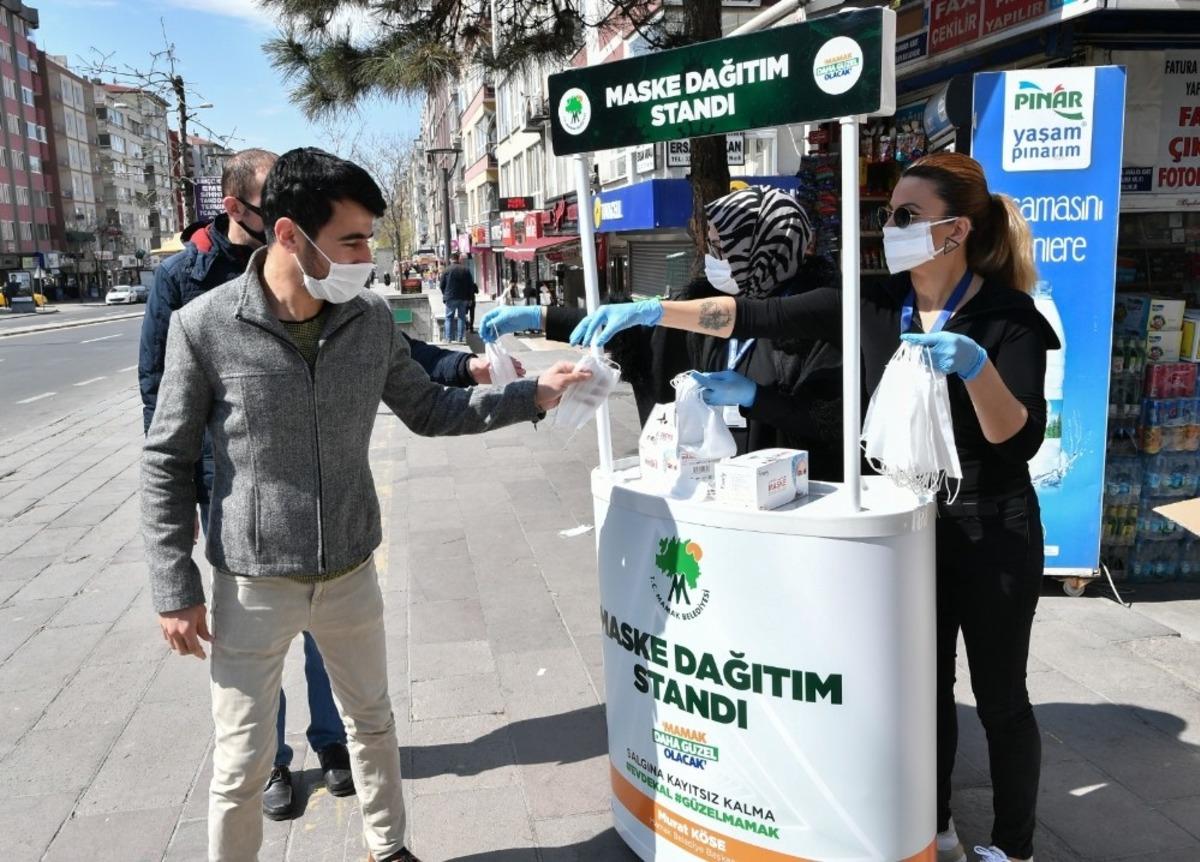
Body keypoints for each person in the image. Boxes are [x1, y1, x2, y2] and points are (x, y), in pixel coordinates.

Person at [569, 153, 1056, 862]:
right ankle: (937, 817)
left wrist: (977, 369)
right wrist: (652, 309)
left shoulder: (1008, 317)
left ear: (957, 231)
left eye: (907, 217)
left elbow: (1019, 440)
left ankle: (1014, 846)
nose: (891, 228)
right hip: (907, 523)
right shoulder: (874, 301)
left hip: (989, 525)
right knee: (927, 688)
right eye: (890, 215)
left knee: (1000, 695)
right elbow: (751, 312)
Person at [141, 148, 585, 862]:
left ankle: (390, 849)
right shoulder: (204, 326)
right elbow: (165, 457)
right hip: (251, 581)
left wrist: (530, 395)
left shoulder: (368, 321)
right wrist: (174, 585)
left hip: (350, 570)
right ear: (289, 234)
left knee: (372, 725)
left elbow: (431, 407)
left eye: (369, 238)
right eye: (351, 240)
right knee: (242, 763)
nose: (366, 256)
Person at [480, 186, 845, 474]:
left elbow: (829, 423)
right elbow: (628, 331)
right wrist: (537, 317)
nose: (712, 257)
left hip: (786, 495)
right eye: (711, 246)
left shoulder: (815, 317)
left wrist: (756, 398)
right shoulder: (701, 305)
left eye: (723, 246)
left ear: (762, 248)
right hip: (711, 485)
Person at [439, 253, 476, 342]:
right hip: (463, 298)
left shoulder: (446, 270)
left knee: (448, 318)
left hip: (450, 297)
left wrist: (445, 294)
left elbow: (441, 285)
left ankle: (448, 338)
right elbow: (471, 285)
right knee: (461, 317)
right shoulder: (465, 270)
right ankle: (460, 338)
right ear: (458, 259)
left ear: (450, 260)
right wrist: (470, 298)